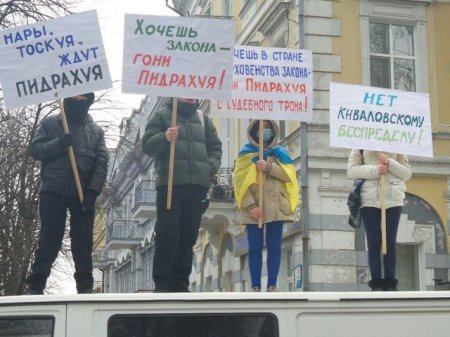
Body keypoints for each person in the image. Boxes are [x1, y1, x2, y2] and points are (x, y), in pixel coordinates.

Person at [26, 93, 108, 295]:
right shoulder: (51, 123)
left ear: (89, 101)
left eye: (84, 99)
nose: (79, 102)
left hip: (83, 193)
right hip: (54, 189)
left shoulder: (96, 132)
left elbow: (101, 163)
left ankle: (85, 286)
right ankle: (36, 285)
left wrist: (92, 191)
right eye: (75, 98)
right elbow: (35, 150)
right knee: (49, 237)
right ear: (66, 99)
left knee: (83, 240)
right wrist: (59, 144)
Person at [142, 98, 222, 292]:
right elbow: (147, 146)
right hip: (170, 183)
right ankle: (162, 283)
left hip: (197, 185)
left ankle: (180, 282)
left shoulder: (203, 119)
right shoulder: (162, 115)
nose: (191, 96)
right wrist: (164, 138)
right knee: (167, 234)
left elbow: (215, 148)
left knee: (188, 235)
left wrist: (210, 168)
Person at [233, 120, 299, 292]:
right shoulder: (245, 155)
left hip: (277, 206)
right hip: (254, 210)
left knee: (274, 246)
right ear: (254, 132)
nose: (265, 132)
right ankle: (254, 285)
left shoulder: (280, 153)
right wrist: (250, 206)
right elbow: (239, 184)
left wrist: (268, 167)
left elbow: (289, 176)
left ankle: (272, 284)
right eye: (262, 129)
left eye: (268, 128)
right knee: (254, 247)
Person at [347, 150, 411, 291]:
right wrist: (376, 170)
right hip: (369, 197)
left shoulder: (396, 142)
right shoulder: (360, 142)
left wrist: (389, 162)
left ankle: (390, 282)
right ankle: (376, 282)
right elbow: (351, 171)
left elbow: (407, 173)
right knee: (374, 240)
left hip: (394, 197)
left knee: (390, 240)